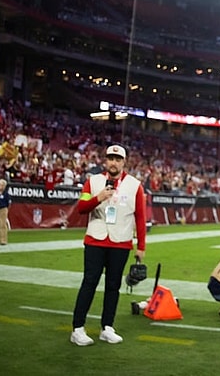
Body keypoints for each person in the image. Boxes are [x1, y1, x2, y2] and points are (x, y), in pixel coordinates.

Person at [69, 144, 146, 346]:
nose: (114, 162)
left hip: (121, 242)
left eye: (118, 159)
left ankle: (107, 327)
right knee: (89, 282)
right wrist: (99, 197)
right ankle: (77, 328)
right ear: (105, 161)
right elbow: (81, 208)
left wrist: (141, 246)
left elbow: (140, 217)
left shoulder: (134, 185)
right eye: (110, 158)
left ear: (124, 162)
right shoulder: (92, 182)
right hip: (95, 240)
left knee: (113, 286)